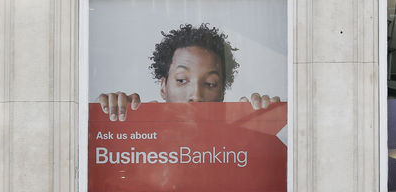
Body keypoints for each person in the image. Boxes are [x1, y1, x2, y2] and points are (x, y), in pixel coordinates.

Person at [97, 23, 280, 121]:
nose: (196, 96)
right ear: (163, 87)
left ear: (222, 93)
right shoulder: (137, 138)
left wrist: (264, 123)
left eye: (210, 84)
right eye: (182, 80)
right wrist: (106, 116)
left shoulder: (239, 142)